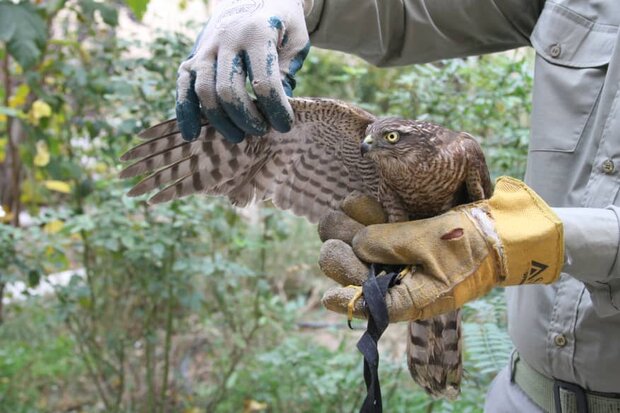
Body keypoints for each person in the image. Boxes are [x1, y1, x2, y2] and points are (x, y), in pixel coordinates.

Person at [175, 1, 620, 411]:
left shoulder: (460, 153)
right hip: (522, 395)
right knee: (315, 113)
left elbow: (482, 218)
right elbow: (409, 11)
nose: (371, 145)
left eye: (385, 140)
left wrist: (505, 240)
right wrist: (297, 4)